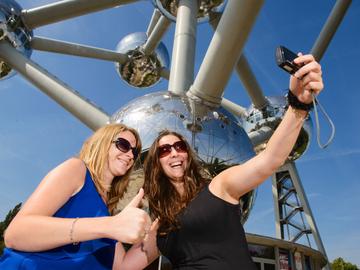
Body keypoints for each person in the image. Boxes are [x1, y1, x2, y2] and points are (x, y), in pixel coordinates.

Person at [113, 53, 324, 270]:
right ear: (156, 162)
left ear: (188, 155)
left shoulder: (219, 187)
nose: (174, 153)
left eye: (180, 146)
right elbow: (123, 267)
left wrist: (298, 105)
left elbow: (270, 159)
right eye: (164, 150)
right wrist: (112, 225)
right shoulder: (161, 224)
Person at [0, 123, 152, 269]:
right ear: (103, 143)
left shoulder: (107, 211)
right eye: (123, 145)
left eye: (135, 151)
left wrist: (163, 228)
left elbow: (122, 266)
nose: (130, 155)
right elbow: (16, 233)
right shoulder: (77, 170)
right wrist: (108, 225)